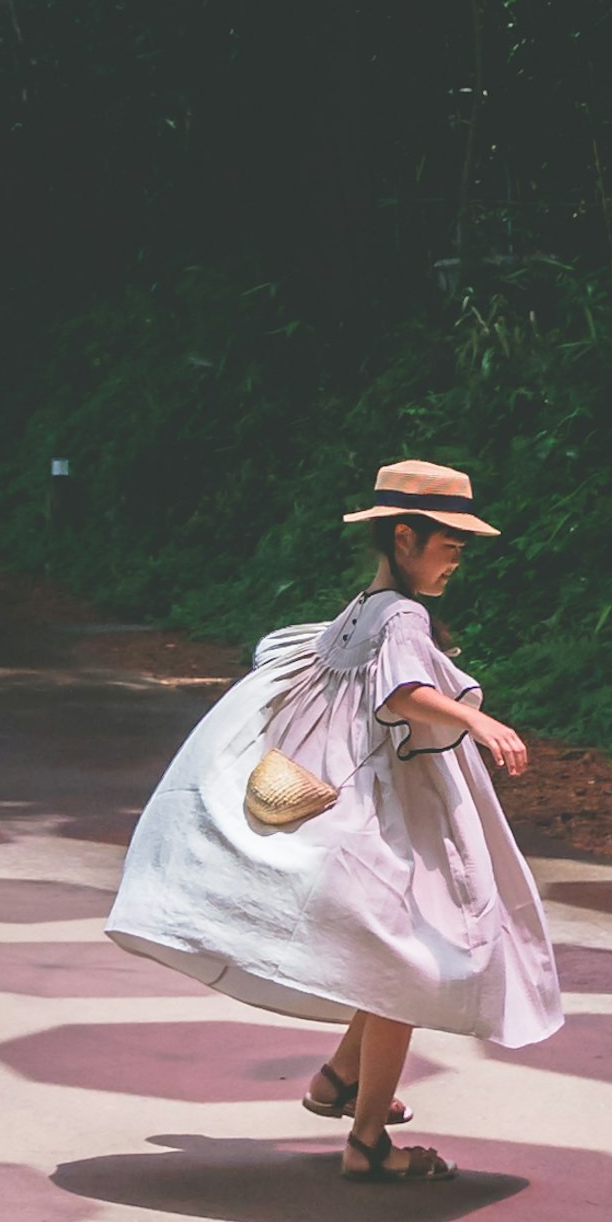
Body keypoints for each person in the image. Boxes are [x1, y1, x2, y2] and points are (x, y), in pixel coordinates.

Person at [107, 455, 561, 1182]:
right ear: (407, 538)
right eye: (448, 547)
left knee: (395, 946)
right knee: (410, 957)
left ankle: (341, 1082)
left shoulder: (364, 607)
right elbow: (405, 691)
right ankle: (368, 1141)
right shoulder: (405, 616)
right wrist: (482, 724)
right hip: (387, 807)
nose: (454, 564)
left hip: (366, 799)